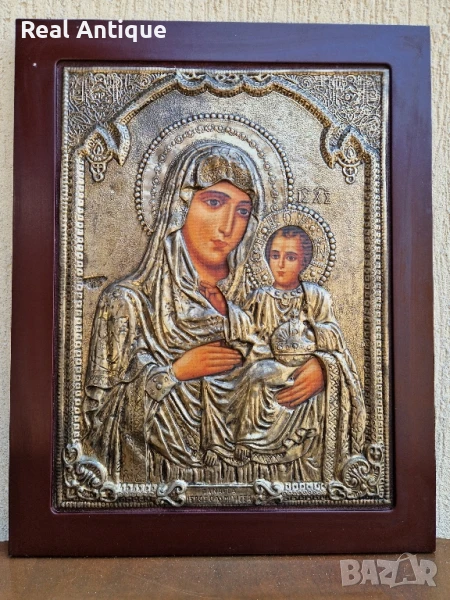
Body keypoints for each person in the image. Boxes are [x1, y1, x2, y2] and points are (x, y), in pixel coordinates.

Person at [83, 142, 326, 484]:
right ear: (179, 207)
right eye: (214, 203)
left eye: (243, 211)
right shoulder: (128, 303)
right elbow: (99, 426)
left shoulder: (253, 303)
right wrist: (174, 373)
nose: (228, 227)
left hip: (259, 484)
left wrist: (322, 370)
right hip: (162, 486)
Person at [227, 225, 367, 482]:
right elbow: (246, 336)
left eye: (290, 257)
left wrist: (310, 332)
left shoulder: (315, 296)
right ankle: (248, 440)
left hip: (301, 365)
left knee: (293, 387)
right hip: (268, 366)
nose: (280, 264)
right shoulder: (258, 298)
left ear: (305, 262)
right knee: (256, 374)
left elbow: (335, 339)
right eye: (275, 255)